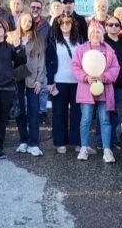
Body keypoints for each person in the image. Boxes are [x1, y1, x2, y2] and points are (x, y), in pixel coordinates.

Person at [71, 22, 121, 163]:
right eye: (92, 32)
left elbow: (115, 68)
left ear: (102, 34)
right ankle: (84, 147)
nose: (95, 34)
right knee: (85, 120)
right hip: (87, 89)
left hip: (104, 90)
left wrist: (103, 77)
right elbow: (75, 66)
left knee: (105, 120)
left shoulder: (109, 50)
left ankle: (107, 150)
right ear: (88, 34)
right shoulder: (81, 49)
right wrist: (86, 77)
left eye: (98, 32)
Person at [0, 17, 26, 163]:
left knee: (3, 120)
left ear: (5, 29)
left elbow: (21, 61)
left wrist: (19, 47)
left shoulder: (9, 47)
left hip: (7, 87)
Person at [8, 13, 47, 157]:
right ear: (19, 22)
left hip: (32, 78)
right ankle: (23, 140)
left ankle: (34, 143)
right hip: (16, 77)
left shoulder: (38, 39)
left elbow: (41, 61)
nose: (27, 23)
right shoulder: (11, 37)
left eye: (30, 21)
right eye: (25, 20)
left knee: (34, 110)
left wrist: (39, 79)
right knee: (20, 111)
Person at [48, 13, 83, 153]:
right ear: (58, 24)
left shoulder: (79, 39)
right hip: (59, 81)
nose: (65, 25)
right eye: (62, 22)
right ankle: (60, 142)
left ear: (73, 23)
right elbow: (49, 62)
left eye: (68, 22)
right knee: (58, 112)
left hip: (77, 81)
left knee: (77, 113)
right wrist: (50, 81)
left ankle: (77, 142)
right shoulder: (53, 40)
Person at [104, 16, 122, 147]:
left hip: (121, 83)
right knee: (105, 113)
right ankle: (102, 141)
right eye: (110, 24)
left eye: (116, 25)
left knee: (119, 112)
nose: (113, 27)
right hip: (106, 83)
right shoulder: (103, 41)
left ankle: (117, 139)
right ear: (106, 26)